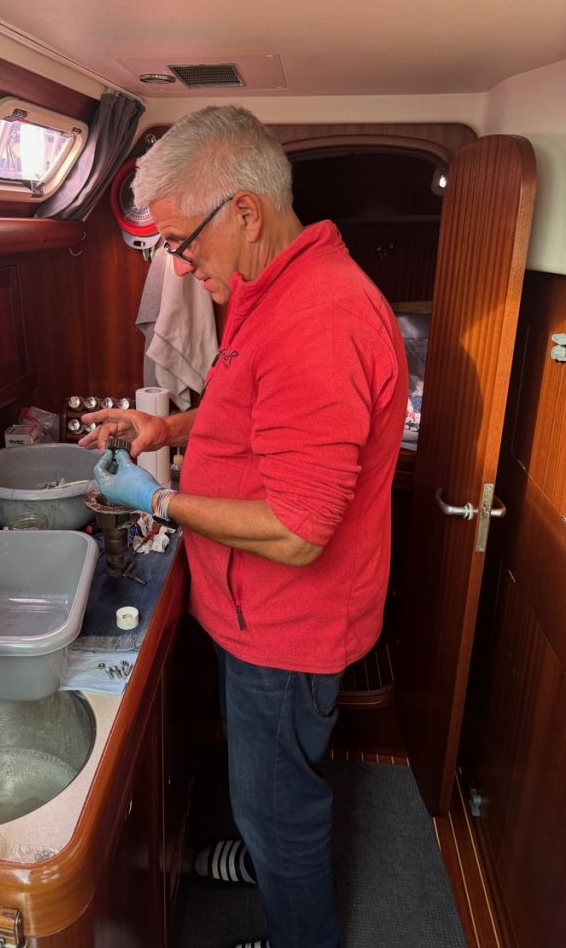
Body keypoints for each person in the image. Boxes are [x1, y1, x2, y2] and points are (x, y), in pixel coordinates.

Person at [79, 105, 407, 948]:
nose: (180, 267)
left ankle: (296, 918)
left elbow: (298, 532)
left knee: (278, 805)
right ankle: (268, 862)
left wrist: (154, 502)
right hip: (254, 608)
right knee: (269, 784)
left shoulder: (318, 319)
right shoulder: (276, 285)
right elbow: (250, 407)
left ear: (247, 212)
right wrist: (168, 429)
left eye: (182, 243)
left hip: (286, 625)